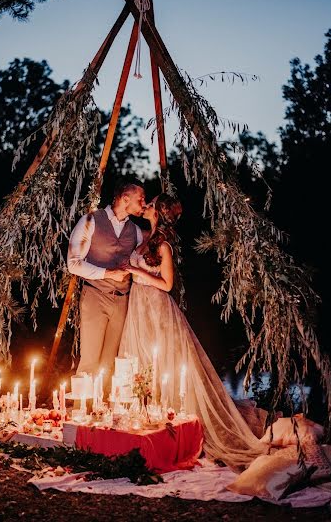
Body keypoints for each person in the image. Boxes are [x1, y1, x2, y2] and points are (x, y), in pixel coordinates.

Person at [119, 193, 266, 470]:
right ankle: (143, 420)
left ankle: (169, 423)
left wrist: (138, 274)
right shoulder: (144, 240)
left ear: (159, 213)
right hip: (138, 308)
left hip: (157, 308)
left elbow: (166, 284)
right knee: (140, 361)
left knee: (163, 362)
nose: (147, 206)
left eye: (151, 204)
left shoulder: (163, 246)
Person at [67, 183, 146, 388]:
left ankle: (103, 416)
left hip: (122, 302)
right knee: (90, 362)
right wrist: (108, 273)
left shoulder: (135, 231)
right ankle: (82, 415)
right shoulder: (91, 220)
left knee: (111, 364)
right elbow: (73, 264)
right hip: (95, 297)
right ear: (125, 199)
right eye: (141, 199)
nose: (143, 204)